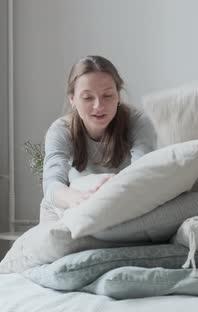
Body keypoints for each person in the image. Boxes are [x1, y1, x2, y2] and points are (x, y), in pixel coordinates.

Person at [40, 55, 157, 223]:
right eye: (88, 98)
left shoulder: (137, 122)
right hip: (74, 202)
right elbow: (52, 184)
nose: (99, 106)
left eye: (108, 95)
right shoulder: (61, 130)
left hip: (121, 200)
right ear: (72, 99)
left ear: (118, 95)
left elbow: (143, 171)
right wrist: (78, 199)